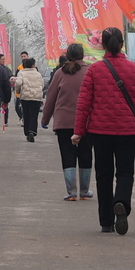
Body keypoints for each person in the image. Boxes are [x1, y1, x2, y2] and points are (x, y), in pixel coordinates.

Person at [72, 27, 135, 235]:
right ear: (122, 44)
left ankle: (106, 222)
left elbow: (84, 104)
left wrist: (78, 131)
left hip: (99, 131)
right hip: (127, 132)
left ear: (102, 45)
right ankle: (121, 202)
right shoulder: (134, 70)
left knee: (103, 175)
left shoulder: (94, 70)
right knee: (125, 173)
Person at [41, 43, 93, 201]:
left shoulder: (60, 73)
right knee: (85, 155)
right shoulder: (90, 71)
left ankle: (71, 193)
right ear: (82, 55)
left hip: (63, 122)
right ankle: (84, 191)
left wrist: (45, 119)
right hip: (87, 122)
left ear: (68, 55)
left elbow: (51, 98)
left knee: (67, 155)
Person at [14, 57, 44, 142]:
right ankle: (32, 131)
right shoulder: (38, 74)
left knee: (26, 115)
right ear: (33, 65)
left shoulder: (21, 73)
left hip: (25, 97)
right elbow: (42, 84)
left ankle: (27, 132)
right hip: (36, 97)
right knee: (34, 115)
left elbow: (18, 83)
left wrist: (18, 91)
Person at [0, 53, 14, 128]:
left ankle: (5, 121)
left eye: (4, 59)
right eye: (2, 59)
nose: (4, 61)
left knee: (5, 106)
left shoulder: (7, 69)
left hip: (5, 90)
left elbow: (11, 78)